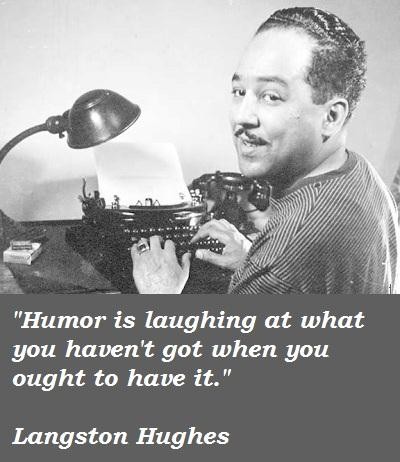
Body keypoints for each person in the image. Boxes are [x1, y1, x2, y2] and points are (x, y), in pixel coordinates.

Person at [131, 6, 399, 294]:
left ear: (331, 117)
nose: (242, 117)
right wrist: (255, 259)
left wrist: (161, 294)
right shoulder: (361, 173)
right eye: (239, 92)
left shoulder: (285, 254)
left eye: (271, 96)